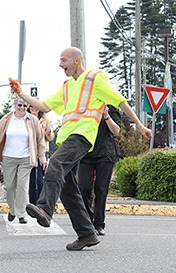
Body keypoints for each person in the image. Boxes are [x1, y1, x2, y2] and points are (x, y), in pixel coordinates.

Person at [13, 47, 152, 250]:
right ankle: (87, 233)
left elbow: (120, 102)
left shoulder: (95, 78)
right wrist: (20, 93)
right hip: (68, 138)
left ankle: (44, 208)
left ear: (77, 60)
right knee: (68, 187)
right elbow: (43, 106)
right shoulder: (67, 86)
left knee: (56, 164)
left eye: (64, 60)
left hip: (83, 135)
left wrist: (139, 125)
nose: (60, 64)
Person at [0, 97, 46, 224]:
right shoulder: (8, 118)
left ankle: (21, 214)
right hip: (8, 157)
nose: (22, 108)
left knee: (22, 186)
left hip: (26, 158)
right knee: (9, 187)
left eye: (25, 106)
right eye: (20, 105)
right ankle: (12, 210)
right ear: (15, 106)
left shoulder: (32, 120)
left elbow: (40, 140)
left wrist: (42, 157)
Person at [78, 105, 121, 236]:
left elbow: (116, 131)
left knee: (101, 190)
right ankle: (88, 221)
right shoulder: (85, 106)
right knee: (84, 187)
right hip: (86, 152)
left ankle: (99, 224)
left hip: (105, 153)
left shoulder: (112, 108)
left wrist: (106, 116)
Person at [27, 105, 55, 204]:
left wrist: (49, 132)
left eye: (35, 107)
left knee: (40, 179)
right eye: (31, 107)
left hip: (43, 151)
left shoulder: (45, 119)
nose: (33, 109)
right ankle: (32, 202)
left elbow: (50, 138)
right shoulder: (26, 118)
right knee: (31, 179)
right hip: (30, 150)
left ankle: (41, 202)